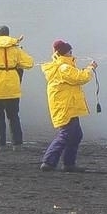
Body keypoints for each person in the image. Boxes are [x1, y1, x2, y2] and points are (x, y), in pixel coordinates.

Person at [41, 40, 97, 172]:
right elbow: (81, 78)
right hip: (66, 106)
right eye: (70, 52)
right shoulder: (63, 68)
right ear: (65, 53)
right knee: (67, 134)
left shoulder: (60, 67)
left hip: (66, 105)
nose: (72, 54)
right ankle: (49, 162)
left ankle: (68, 163)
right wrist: (90, 68)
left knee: (76, 134)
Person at [0, 25, 34, 152]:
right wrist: (15, 63)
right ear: (8, 35)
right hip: (12, 85)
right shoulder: (15, 49)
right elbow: (30, 63)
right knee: (14, 116)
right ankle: (17, 144)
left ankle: (0, 144)